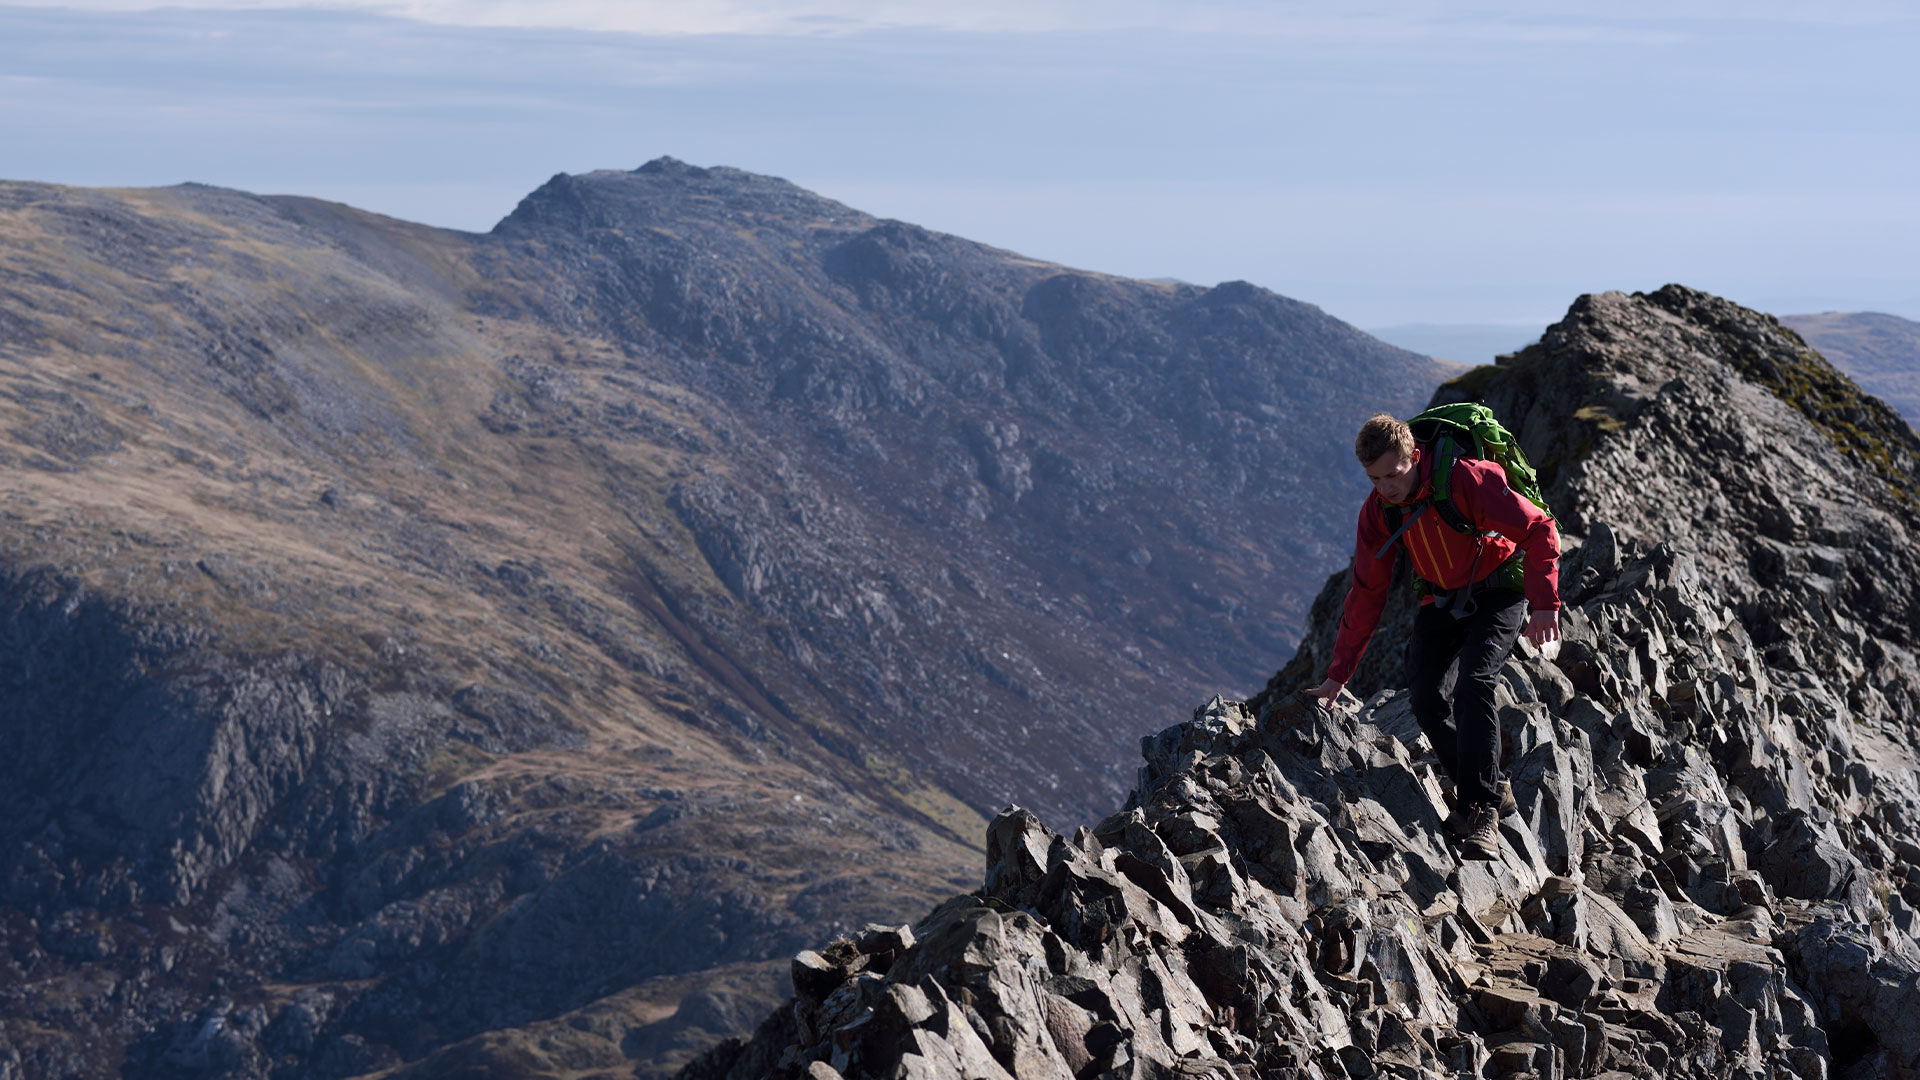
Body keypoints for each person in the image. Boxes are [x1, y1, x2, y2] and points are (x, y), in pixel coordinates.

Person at [1307, 413, 1561, 860]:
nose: (1385, 487)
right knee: (1424, 696)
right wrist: (1338, 674)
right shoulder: (1379, 509)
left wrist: (1545, 605)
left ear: (1414, 456)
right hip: (1442, 598)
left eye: (1393, 474)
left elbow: (1540, 528)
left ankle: (1480, 810)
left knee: (1475, 683)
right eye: (1374, 478)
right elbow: (1367, 592)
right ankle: (1486, 787)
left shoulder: (1468, 479)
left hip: (1500, 589)